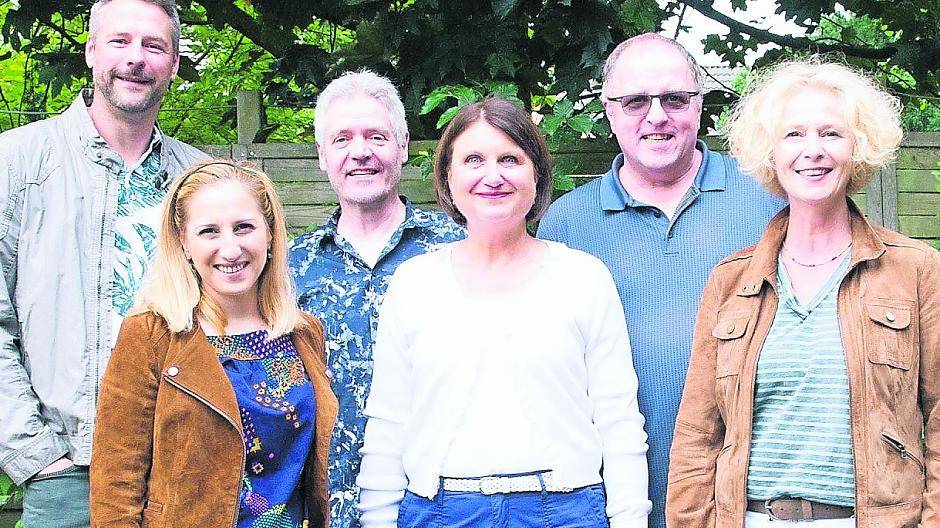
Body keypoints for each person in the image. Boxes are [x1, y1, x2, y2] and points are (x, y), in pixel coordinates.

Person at [666, 59, 940, 527]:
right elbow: (697, 435)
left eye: (831, 134)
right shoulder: (731, 281)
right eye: (794, 135)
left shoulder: (915, 271)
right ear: (770, 152)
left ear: (859, 147)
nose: (812, 151)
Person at [356, 97, 651, 528]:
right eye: (473, 159)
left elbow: (619, 421)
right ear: (448, 178)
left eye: (509, 159)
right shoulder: (413, 284)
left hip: (564, 511)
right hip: (440, 511)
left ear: (536, 175)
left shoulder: (582, 277)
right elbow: (387, 424)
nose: (492, 176)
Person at [536, 32, 785, 526]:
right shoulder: (565, 225)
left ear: (700, 105)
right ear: (608, 111)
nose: (656, 116)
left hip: (749, 492)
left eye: (674, 98)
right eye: (634, 101)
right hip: (612, 494)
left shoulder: (769, 198)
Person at [0, 0, 206, 525]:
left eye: (154, 45)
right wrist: (37, 455)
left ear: (175, 63)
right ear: (92, 51)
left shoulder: (201, 179)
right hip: (69, 475)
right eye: (120, 41)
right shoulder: (17, 162)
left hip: (182, 468)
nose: (136, 58)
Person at [89, 160, 337, 527]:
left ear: (269, 234)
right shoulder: (151, 336)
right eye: (209, 231)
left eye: (243, 228)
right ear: (184, 243)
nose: (231, 248)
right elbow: (116, 485)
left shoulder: (303, 334)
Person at [288, 69, 464, 528]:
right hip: (326, 508)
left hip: (439, 503)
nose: (360, 151)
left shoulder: (456, 250)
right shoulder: (289, 269)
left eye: (376, 136)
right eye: (342, 138)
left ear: (403, 146)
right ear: (323, 155)